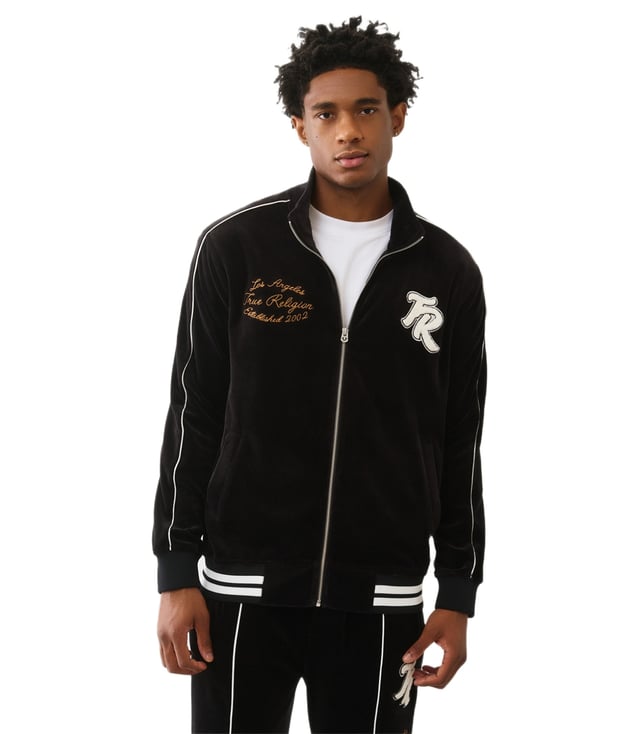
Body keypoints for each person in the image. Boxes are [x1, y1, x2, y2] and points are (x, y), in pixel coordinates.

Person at [153, 16, 487, 734]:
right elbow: (194, 413)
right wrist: (176, 571)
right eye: (326, 114)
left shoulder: (447, 272)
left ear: (398, 115)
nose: (348, 131)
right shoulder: (236, 248)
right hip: (240, 594)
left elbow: (459, 438)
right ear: (299, 126)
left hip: (382, 602)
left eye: (367, 109)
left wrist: (458, 590)